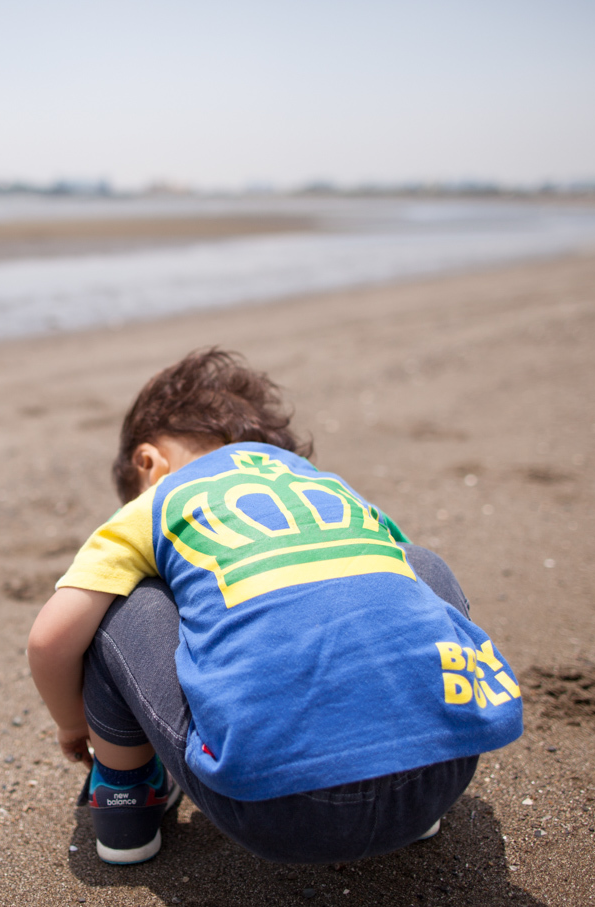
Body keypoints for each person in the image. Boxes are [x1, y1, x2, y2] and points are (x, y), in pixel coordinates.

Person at [27, 348, 523, 865]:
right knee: (414, 564)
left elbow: (49, 638)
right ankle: (416, 756)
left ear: (149, 463)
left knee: (121, 605)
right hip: (439, 777)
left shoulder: (159, 499)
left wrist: (73, 723)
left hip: (276, 811)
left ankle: (126, 803)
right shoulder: (329, 487)